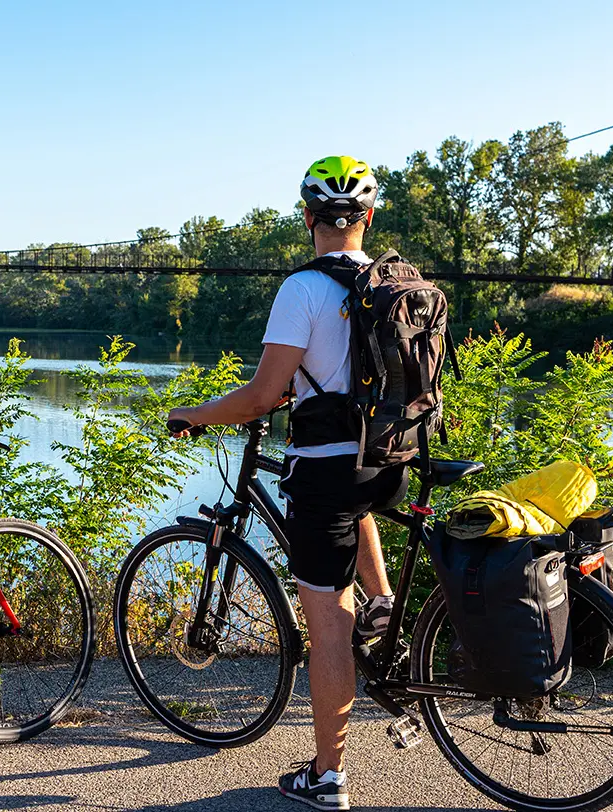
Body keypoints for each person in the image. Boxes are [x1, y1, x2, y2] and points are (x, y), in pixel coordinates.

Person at [166, 157, 406, 811]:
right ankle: (383, 602)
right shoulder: (394, 284)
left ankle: (328, 777)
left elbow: (262, 397)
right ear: (369, 217)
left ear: (307, 218)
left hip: (327, 468)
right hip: (387, 463)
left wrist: (194, 414)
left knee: (327, 627)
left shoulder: (302, 290)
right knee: (357, 520)